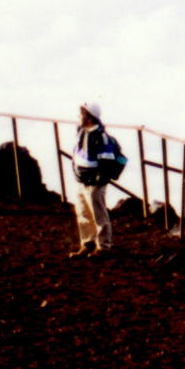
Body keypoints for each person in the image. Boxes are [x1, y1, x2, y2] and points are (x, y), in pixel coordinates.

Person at [69, 101, 117, 258]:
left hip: (94, 182)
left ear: (89, 117)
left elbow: (107, 162)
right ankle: (88, 244)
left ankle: (104, 247)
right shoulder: (82, 131)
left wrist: (98, 180)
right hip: (81, 180)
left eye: (81, 114)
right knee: (83, 213)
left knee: (98, 215)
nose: (78, 117)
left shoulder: (100, 137)